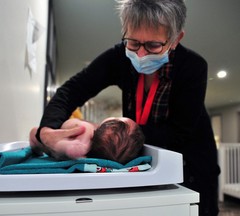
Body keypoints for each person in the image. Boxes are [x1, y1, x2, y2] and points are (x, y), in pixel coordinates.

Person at [33, 0, 220, 215]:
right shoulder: (119, 58)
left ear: (176, 39)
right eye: (133, 42)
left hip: (193, 164)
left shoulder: (193, 67)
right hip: (145, 161)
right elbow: (71, 91)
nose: (140, 55)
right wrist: (47, 130)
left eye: (153, 45)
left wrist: (108, 131)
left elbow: (179, 131)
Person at [30, 117, 145, 164]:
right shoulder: (99, 149)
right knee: (49, 147)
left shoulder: (90, 130)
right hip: (85, 151)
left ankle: (65, 146)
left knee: (84, 127)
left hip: (70, 133)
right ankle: (64, 148)